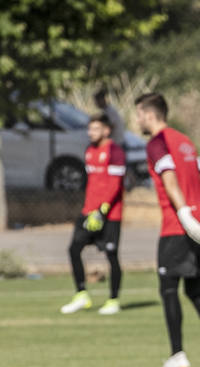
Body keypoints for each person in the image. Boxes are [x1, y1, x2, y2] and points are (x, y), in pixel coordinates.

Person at [135, 92, 200, 367]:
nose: (137, 120)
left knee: (168, 290)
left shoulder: (157, 143)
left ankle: (178, 356)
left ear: (150, 115)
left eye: (139, 114)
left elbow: (170, 179)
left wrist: (184, 213)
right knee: (195, 290)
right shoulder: (185, 141)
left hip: (179, 224)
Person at [59, 114, 126, 315]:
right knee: (73, 249)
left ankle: (113, 300)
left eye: (95, 129)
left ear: (107, 130)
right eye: (90, 129)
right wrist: (90, 210)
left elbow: (115, 185)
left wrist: (102, 211)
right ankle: (81, 294)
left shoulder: (115, 151)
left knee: (111, 255)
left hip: (109, 214)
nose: (91, 133)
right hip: (88, 211)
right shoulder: (89, 151)